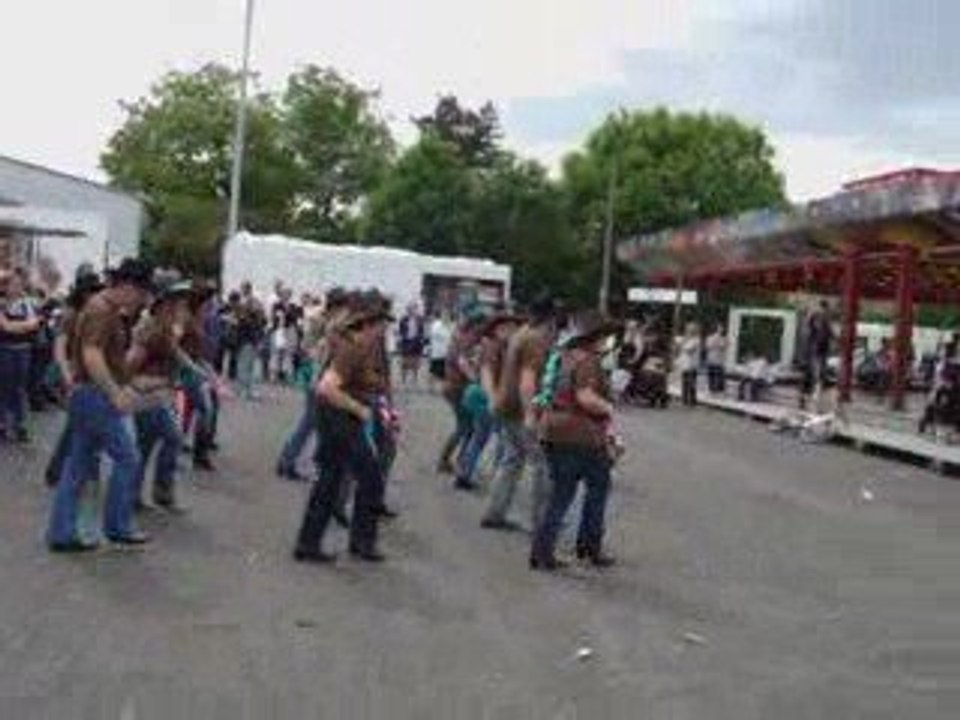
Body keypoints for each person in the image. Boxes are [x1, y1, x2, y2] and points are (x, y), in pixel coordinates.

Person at [46, 258, 156, 552]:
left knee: (78, 464)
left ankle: (62, 531)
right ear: (129, 287)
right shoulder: (101, 311)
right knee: (127, 457)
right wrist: (114, 392)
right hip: (95, 394)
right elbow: (92, 354)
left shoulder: (102, 309)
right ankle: (117, 525)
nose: (141, 301)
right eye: (141, 293)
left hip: (88, 393)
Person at [293, 298, 393, 564]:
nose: (383, 332)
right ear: (367, 325)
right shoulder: (353, 349)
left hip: (336, 417)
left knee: (330, 479)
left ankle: (309, 542)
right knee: (369, 477)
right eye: (381, 326)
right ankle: (361, 541)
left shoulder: (354, 346)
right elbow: (327, 387)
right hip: (339, 418)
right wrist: (358, 408)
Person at [530, 310, 621, 571]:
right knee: (598, 486)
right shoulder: (588, 361)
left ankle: (542, 550)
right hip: (581, 434)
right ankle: (589, 545)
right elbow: (585, 397)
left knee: (560, 493)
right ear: (596, 337)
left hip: (553, 428)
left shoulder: (563, 356)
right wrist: (608, 408)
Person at [481, 295, 555, 531]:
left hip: (506, 405)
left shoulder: (520, 334)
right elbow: (528, 380)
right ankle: (542, 522)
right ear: (550, 319)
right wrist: (530, 415)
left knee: (512, 459)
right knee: (542, 464)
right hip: (519, 409)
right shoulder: (534, 339)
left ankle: (495, 512)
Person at [128, 279, 193, 511]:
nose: (182, 308)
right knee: (172, 438)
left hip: (158, 395)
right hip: (148, 395)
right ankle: (160, 493)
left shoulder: (164, 327)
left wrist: (195, 370)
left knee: (145, 445)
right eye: (178, 303)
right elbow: (131, 363)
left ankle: (135, 494)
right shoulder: (150, 327)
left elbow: (175, 352)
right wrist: (138, 383)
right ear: (165, 304)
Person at [436, 307, 486, 481]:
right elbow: (462, 363)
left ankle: (456, 461)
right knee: (465, 428)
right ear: (476, 324)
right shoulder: (464, 339)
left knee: (466, 427)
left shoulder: (463, 336)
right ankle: (453, 462)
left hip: (456, 387)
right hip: (456, 388)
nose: (484, 327)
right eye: (482, 323)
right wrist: (476, 380)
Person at [0, 267, 42, 443]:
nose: (17, 288)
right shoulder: (2, 304)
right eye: (13, 284)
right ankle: (2, 424)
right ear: (6, 286)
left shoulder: (27, 304)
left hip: (23, 350)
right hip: (4, 349)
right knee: (3, 387)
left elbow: (35, 324)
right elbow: (5, 327)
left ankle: (21, 425)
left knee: (20, 388)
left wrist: (15, 326)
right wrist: (23, 326)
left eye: (19, 284)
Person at [234, 281, 266, 400]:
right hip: (249, 338)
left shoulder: (248, 303)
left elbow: (253, 321)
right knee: (249, 365)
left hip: (248, 339)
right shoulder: (252, 303)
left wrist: (239, 320)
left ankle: (246, 391)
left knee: (246, 365)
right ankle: (248, 390)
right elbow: (261, 320)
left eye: (243, 288)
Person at [398, 303, 427, 387]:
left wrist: (421, 339)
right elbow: (400, 331)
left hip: (416, 342)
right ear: (407, 310)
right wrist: (403, 338)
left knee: (415, 361)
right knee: (405, 362)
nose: (412, 311)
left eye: (413, 309)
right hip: (406, 342)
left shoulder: (419, 319)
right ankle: (403, 380)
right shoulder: (403, 319)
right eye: (410, 309)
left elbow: (422, 330)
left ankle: (414, 379)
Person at [677, 322, 702, 407]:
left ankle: (692, 401)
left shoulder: (696, 340)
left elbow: (689, 350)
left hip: (692, 365)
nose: (688, 331)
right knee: (685, 382)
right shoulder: (686, 339)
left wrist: (682, 344)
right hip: (685, 364)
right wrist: (683, 342)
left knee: (692, 383)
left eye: (691, 329)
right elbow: (678, 345)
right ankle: (684, 400)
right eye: (688, 329)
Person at [427, 312, 452, 393]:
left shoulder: (449, 326)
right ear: (442, 317)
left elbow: (450, 337)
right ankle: (431, 387)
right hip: (437, 353)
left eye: (448, 317)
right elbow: (434, 335)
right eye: (445, 316)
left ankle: (442, 388)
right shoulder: (437, 325)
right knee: (433, 371)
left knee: (444, 372)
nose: (446, 318)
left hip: (446, 353)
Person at [705, 325, 728, 395]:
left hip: (720, 360)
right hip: (711, 358)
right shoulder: (710, 338)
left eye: (722, 328)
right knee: (711, 374)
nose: (721, 330)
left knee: (720, 375)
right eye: (719, 328)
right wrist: (716, 343)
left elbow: (724, 346)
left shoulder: (724, 338)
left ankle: (719, 390)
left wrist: (718, 343)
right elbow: (708, 346)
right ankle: (711, 389)